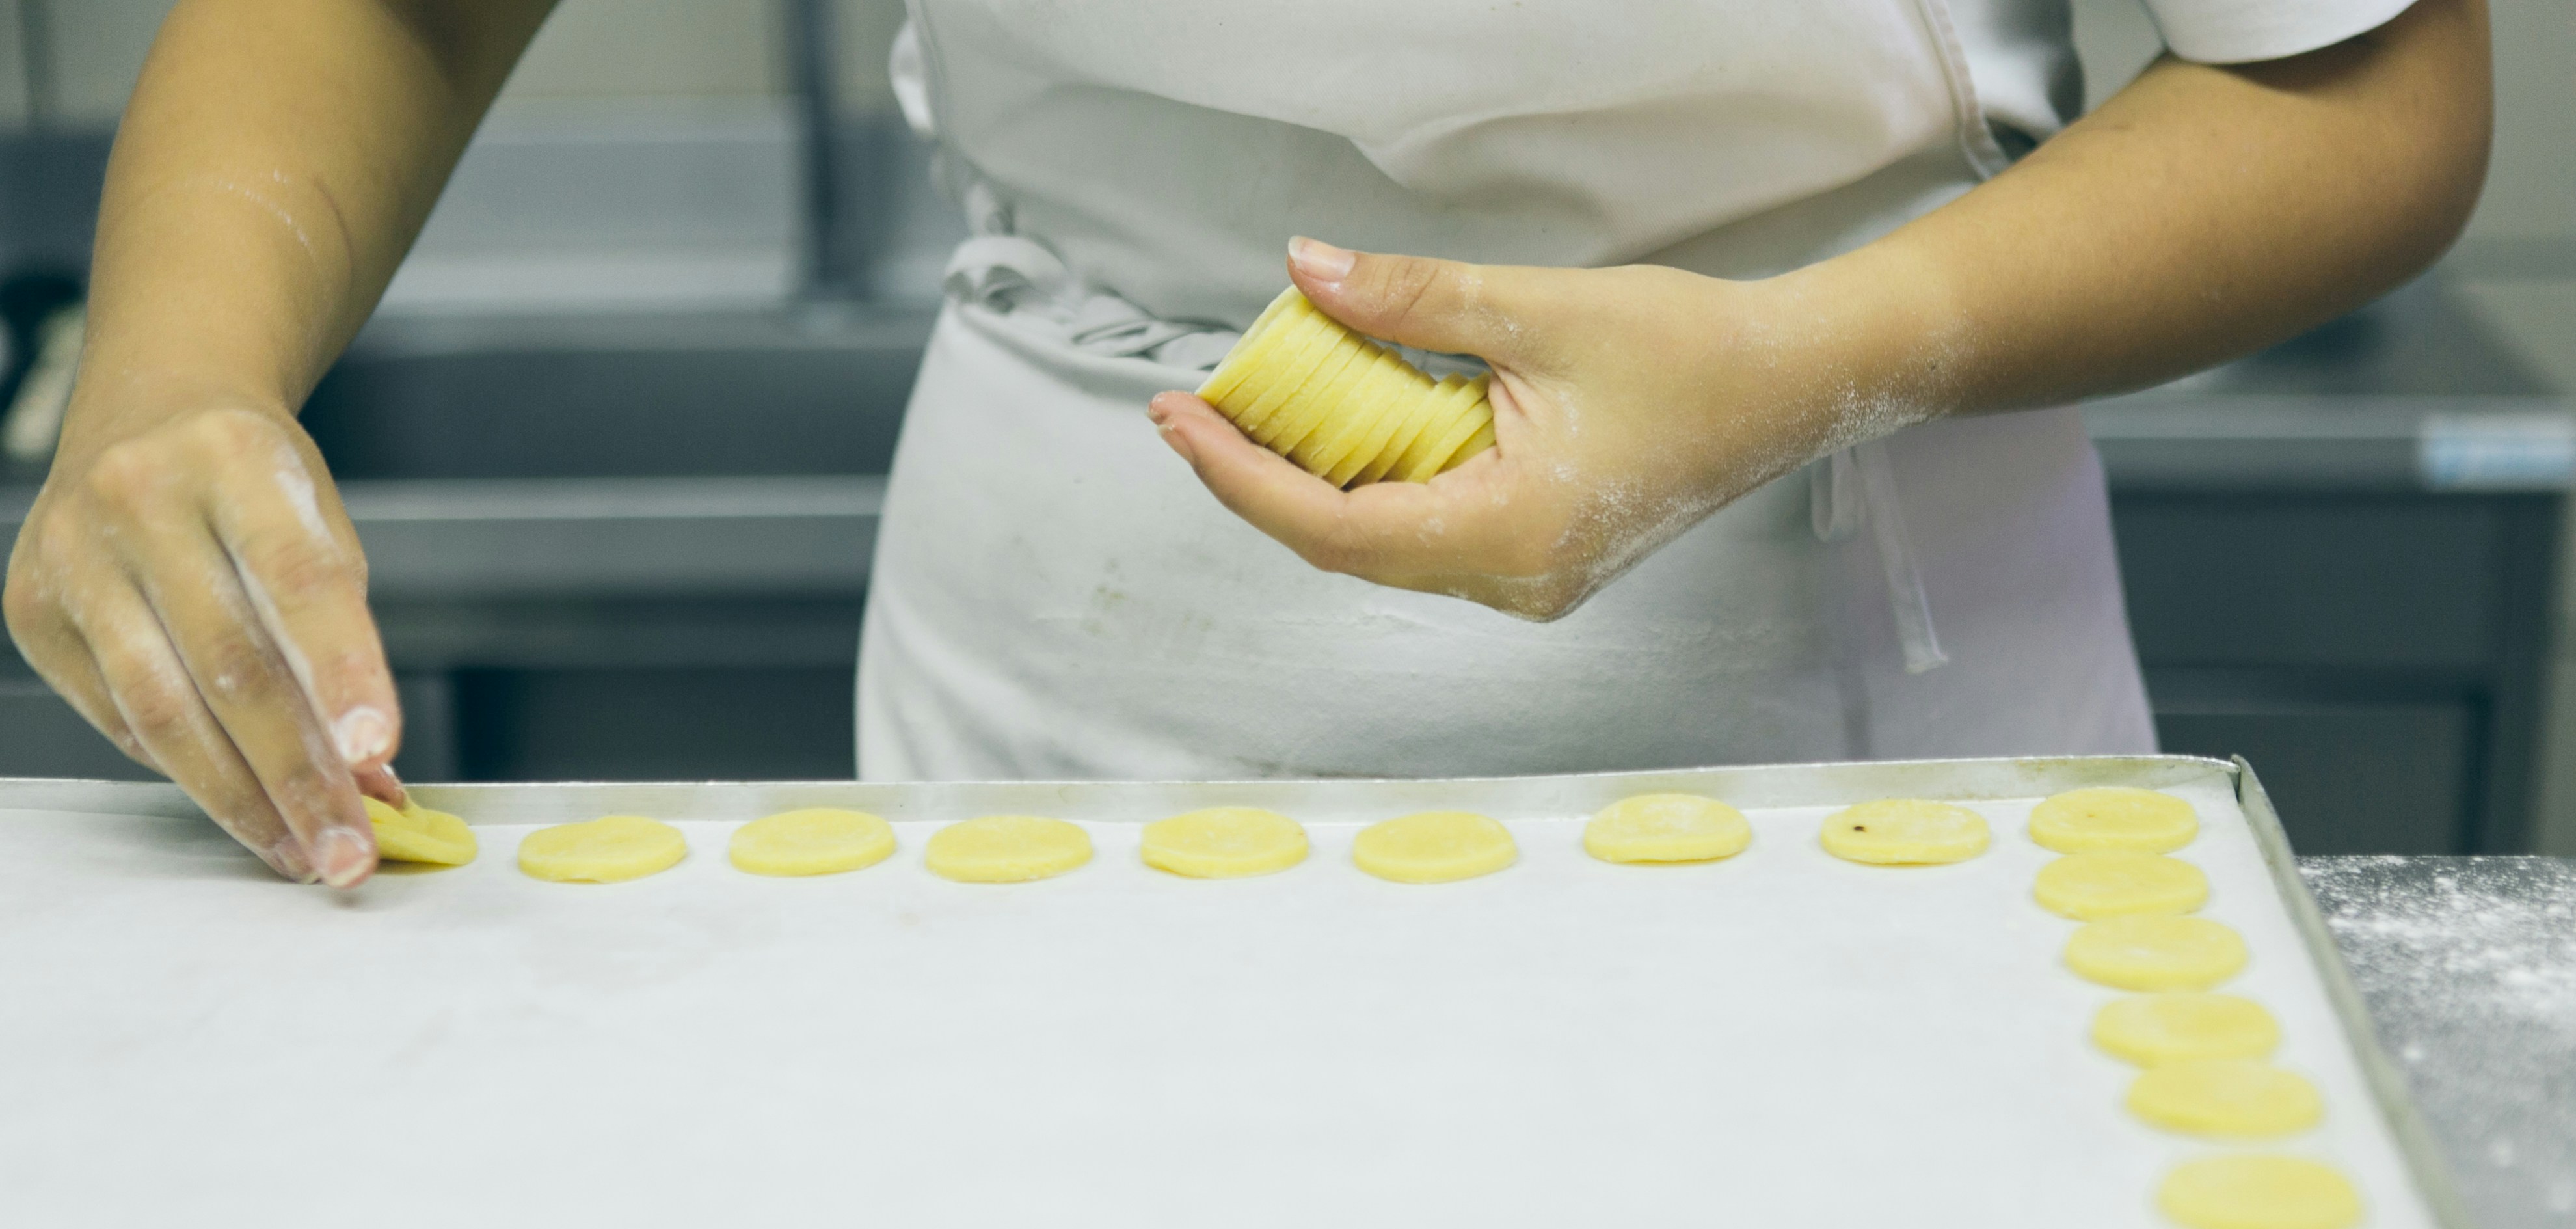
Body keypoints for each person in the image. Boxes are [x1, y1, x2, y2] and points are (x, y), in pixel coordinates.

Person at [3, 0, 2492, 887]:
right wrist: (167, 379)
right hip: (1037, 689)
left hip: (1827, 688)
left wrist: (1820, 353)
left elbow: (2371, 88)